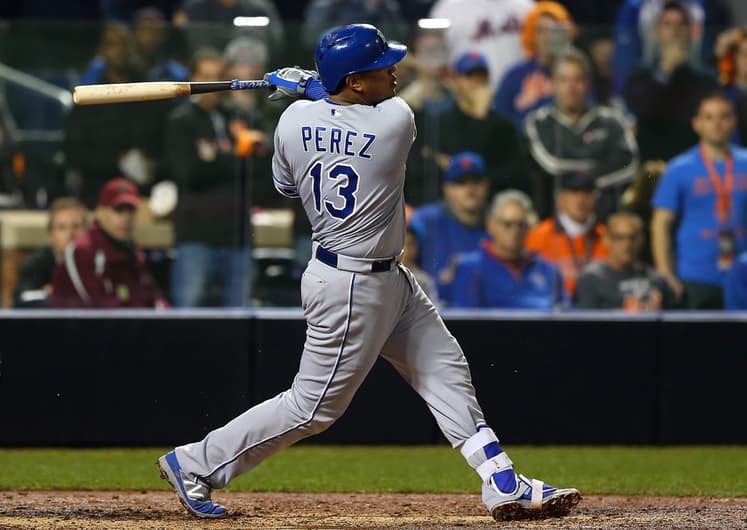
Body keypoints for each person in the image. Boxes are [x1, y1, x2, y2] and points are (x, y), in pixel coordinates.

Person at [156, 23, 580, 522]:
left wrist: (310, 95)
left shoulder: (291, 122)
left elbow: (286, 186)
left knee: (444, 368)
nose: (394, 72)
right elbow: (348, 110)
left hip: (382, 278)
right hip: (351, 284)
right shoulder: (395, 121)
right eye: (382, 68)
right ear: (356, 82)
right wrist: (312, 87)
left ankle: (501, 480)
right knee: (312, 408)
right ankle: (195, 463)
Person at [165, 48, 264, 307]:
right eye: (206, 77)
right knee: (188, 313)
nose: (213, 85)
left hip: (237, 234)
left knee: (240, 316)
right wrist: (235, 157)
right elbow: (189, 172)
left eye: (218, 77)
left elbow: (259, 166)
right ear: (193, 79)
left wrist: (215, 158)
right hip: (197, 235)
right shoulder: (181, 120)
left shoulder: (239, 117)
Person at [651, 91, 747, 309]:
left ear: (734, 121)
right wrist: (666, 274)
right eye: (709, 117)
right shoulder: (678, 169)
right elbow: (660, 223)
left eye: (724, 116)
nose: (717, 124)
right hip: (695, 278)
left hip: (742, 275)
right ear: (697, 124)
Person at [524, 47, 639, 221]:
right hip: (555, 225)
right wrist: (601, 162)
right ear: (552, 84)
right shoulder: (538, 121)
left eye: (577, 80)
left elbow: (629, 164)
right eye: (563, 80)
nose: (571, 88)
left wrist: (580, 176)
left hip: (606, 222)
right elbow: (553, 162)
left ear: (588, 83)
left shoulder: (611, 120)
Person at [65, 24, 169, 205]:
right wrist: (117, 159)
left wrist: (156, 165)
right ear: (102, 51)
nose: (120, 51)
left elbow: (169, 141)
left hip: (145, 196)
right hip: (98, 196)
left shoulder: (151, 93)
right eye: (113, 44)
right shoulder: (88, 97)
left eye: (125, 44)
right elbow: (73, 153)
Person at [407, 51, 525, 205]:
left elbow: (516, 175)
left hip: (491, 205)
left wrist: (480, 117)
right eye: (469, 76)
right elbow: (458, 168)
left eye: (481, 77)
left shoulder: (503, 126)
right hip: (444, 204)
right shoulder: (440, 121)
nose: (476, 82)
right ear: (456, 81)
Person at [49, 178, 167, 308]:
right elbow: (103, 311)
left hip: (128, 325)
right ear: (100, 212)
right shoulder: (82, 251)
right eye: (119, 210)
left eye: (131, 210)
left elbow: (151, 297)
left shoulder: (132, 250)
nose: (126, 218)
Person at [624, 1, 718, 162]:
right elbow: (642, 111)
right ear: (657, 32)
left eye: (681, 24)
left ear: (690, 32)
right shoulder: (640, 75)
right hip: (651, 165)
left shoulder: (705, 79)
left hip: (694, 162)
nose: (674, 30)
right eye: (667, 24)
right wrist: (665, 72)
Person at [451, 190, 567, 310]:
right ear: (491, 226)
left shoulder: (548, 270)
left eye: (521, 224)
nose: (515, 231)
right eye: (507, 224)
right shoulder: (470, 268)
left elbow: (565, 313)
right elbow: (465, 320)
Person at [409, 152, 490, 304]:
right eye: (461, 182)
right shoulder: (426, 220)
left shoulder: (498, 227)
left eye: (476, 181)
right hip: (430, 310)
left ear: (486, 185)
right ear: (447, 189)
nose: (470, 189)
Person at [493, 1, 576, 128]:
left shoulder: (574, 73)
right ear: (532, 35)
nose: (546, 37)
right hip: (522, 144)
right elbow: (499, 121)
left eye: (553, 30)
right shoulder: (514, 76)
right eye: (541, 30)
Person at [525, 173, 609, 296]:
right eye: (574, 193)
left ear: (595, 199)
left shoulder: (608, 237)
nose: (580, 200)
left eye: (587, 193)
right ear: (560, 199)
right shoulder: (538, 236)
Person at [576, 212, 676, 310]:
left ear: (642, 240)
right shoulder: (591, 279)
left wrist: (656, 315)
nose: (627, 244)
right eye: (619, 238)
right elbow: (586, 322)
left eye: (633, 238)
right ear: (607, 239)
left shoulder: (656, 280)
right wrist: (625, 316)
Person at [428, 0, 535, 91]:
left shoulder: (525, 6)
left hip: (519, 96)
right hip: (467, 97)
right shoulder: (446, 8)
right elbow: (432, 59)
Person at [13, 198, 87, 308]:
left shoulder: (98, 261)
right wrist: (50, 297)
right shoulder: (36, 264)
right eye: (62, 228)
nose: (71, 234)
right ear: (50, 235)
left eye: (76, 226)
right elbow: (22, 299)